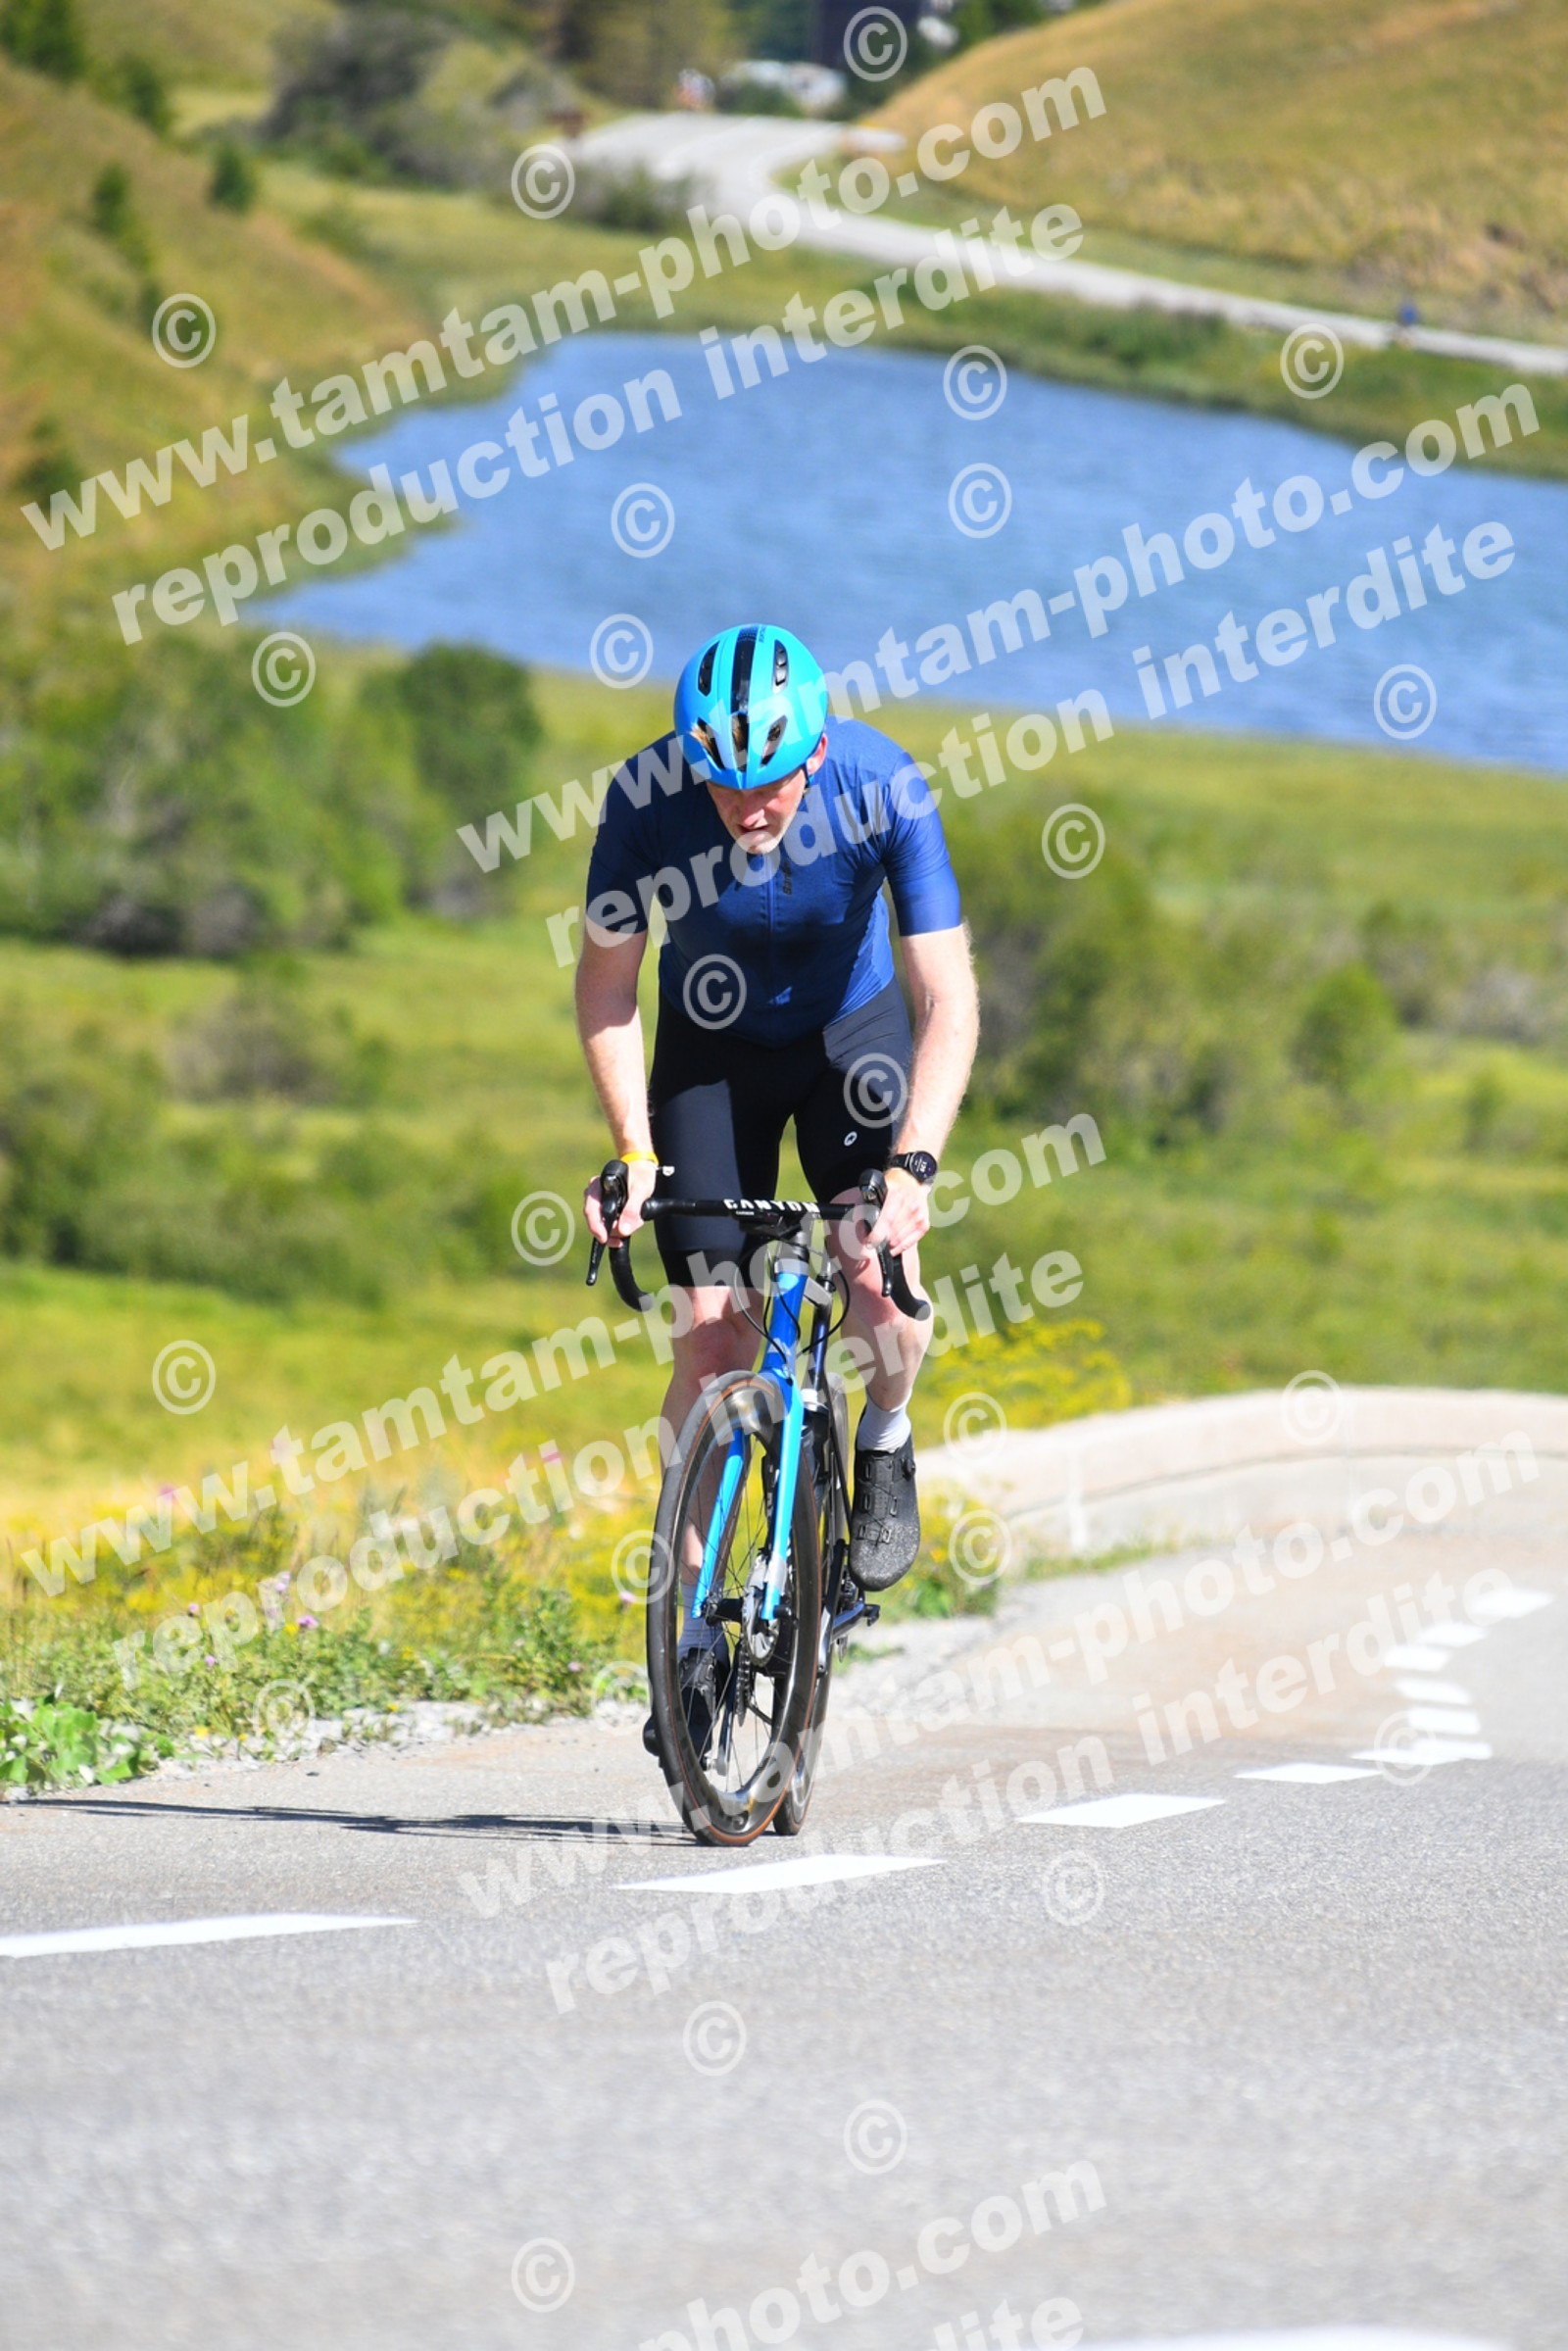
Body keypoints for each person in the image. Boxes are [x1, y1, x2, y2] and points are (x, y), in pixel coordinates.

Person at [576, 623, 977, 1734]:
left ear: (816, 753)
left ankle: (884, 1434)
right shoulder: (645, 801)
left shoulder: (883, 786)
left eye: (770, 783)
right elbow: (607, 985)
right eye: (723, 782)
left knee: (876, 1287)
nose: (746, 809)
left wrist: (913, 1165)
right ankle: (690, 1636)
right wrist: (633, 1151)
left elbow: (947, 996)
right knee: (711, 1340)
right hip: (709, 1053)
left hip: (850, 1042)